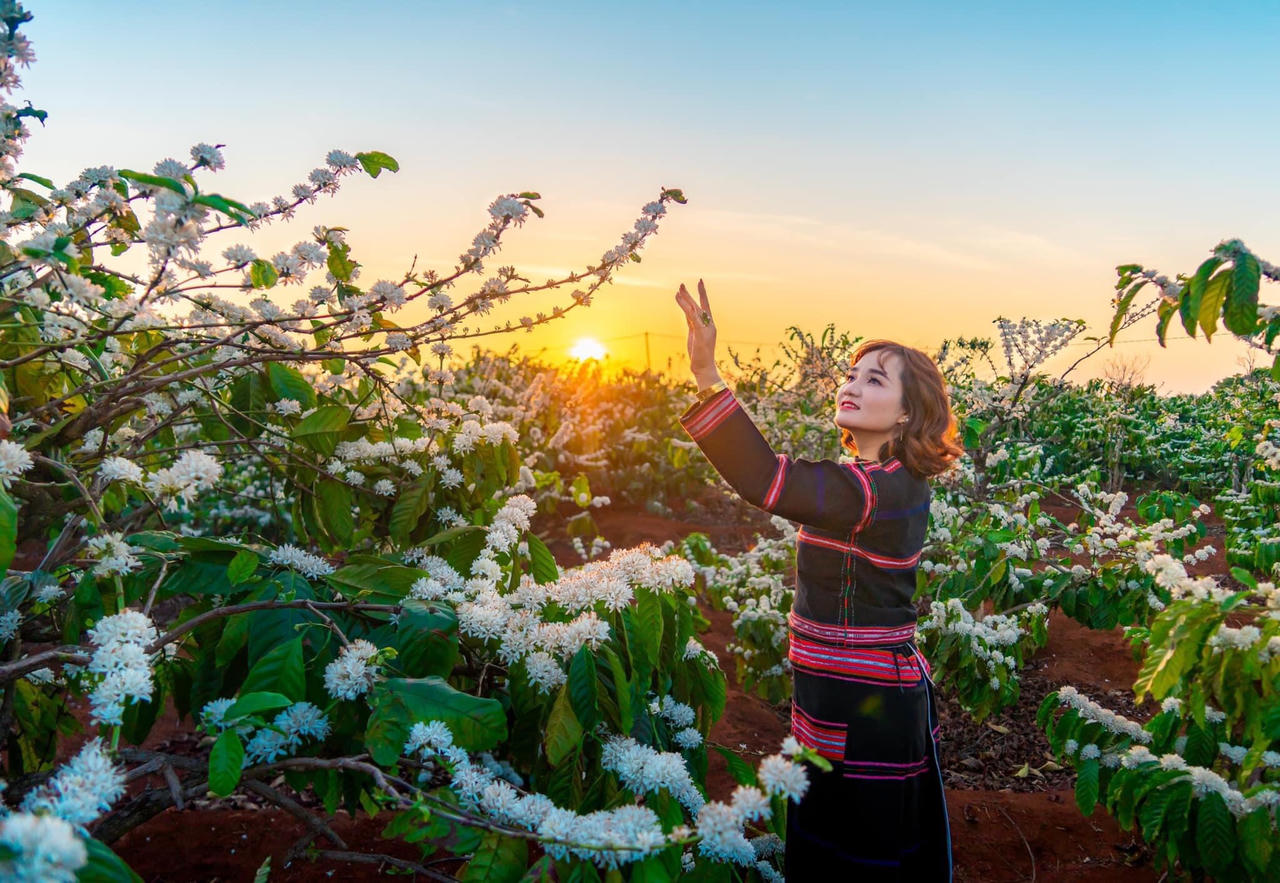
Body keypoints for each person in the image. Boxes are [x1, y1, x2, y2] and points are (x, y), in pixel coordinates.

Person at [673, 280, 962, 881]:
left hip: (865, 708)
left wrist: (707, 372)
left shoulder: (873, 490)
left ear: (908, 413)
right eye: (853, 374)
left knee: (854, 854)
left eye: (876, 380)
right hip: (850, 697)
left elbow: (764, 479)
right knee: (850, 839)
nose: (853, 384)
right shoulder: (877, 477)